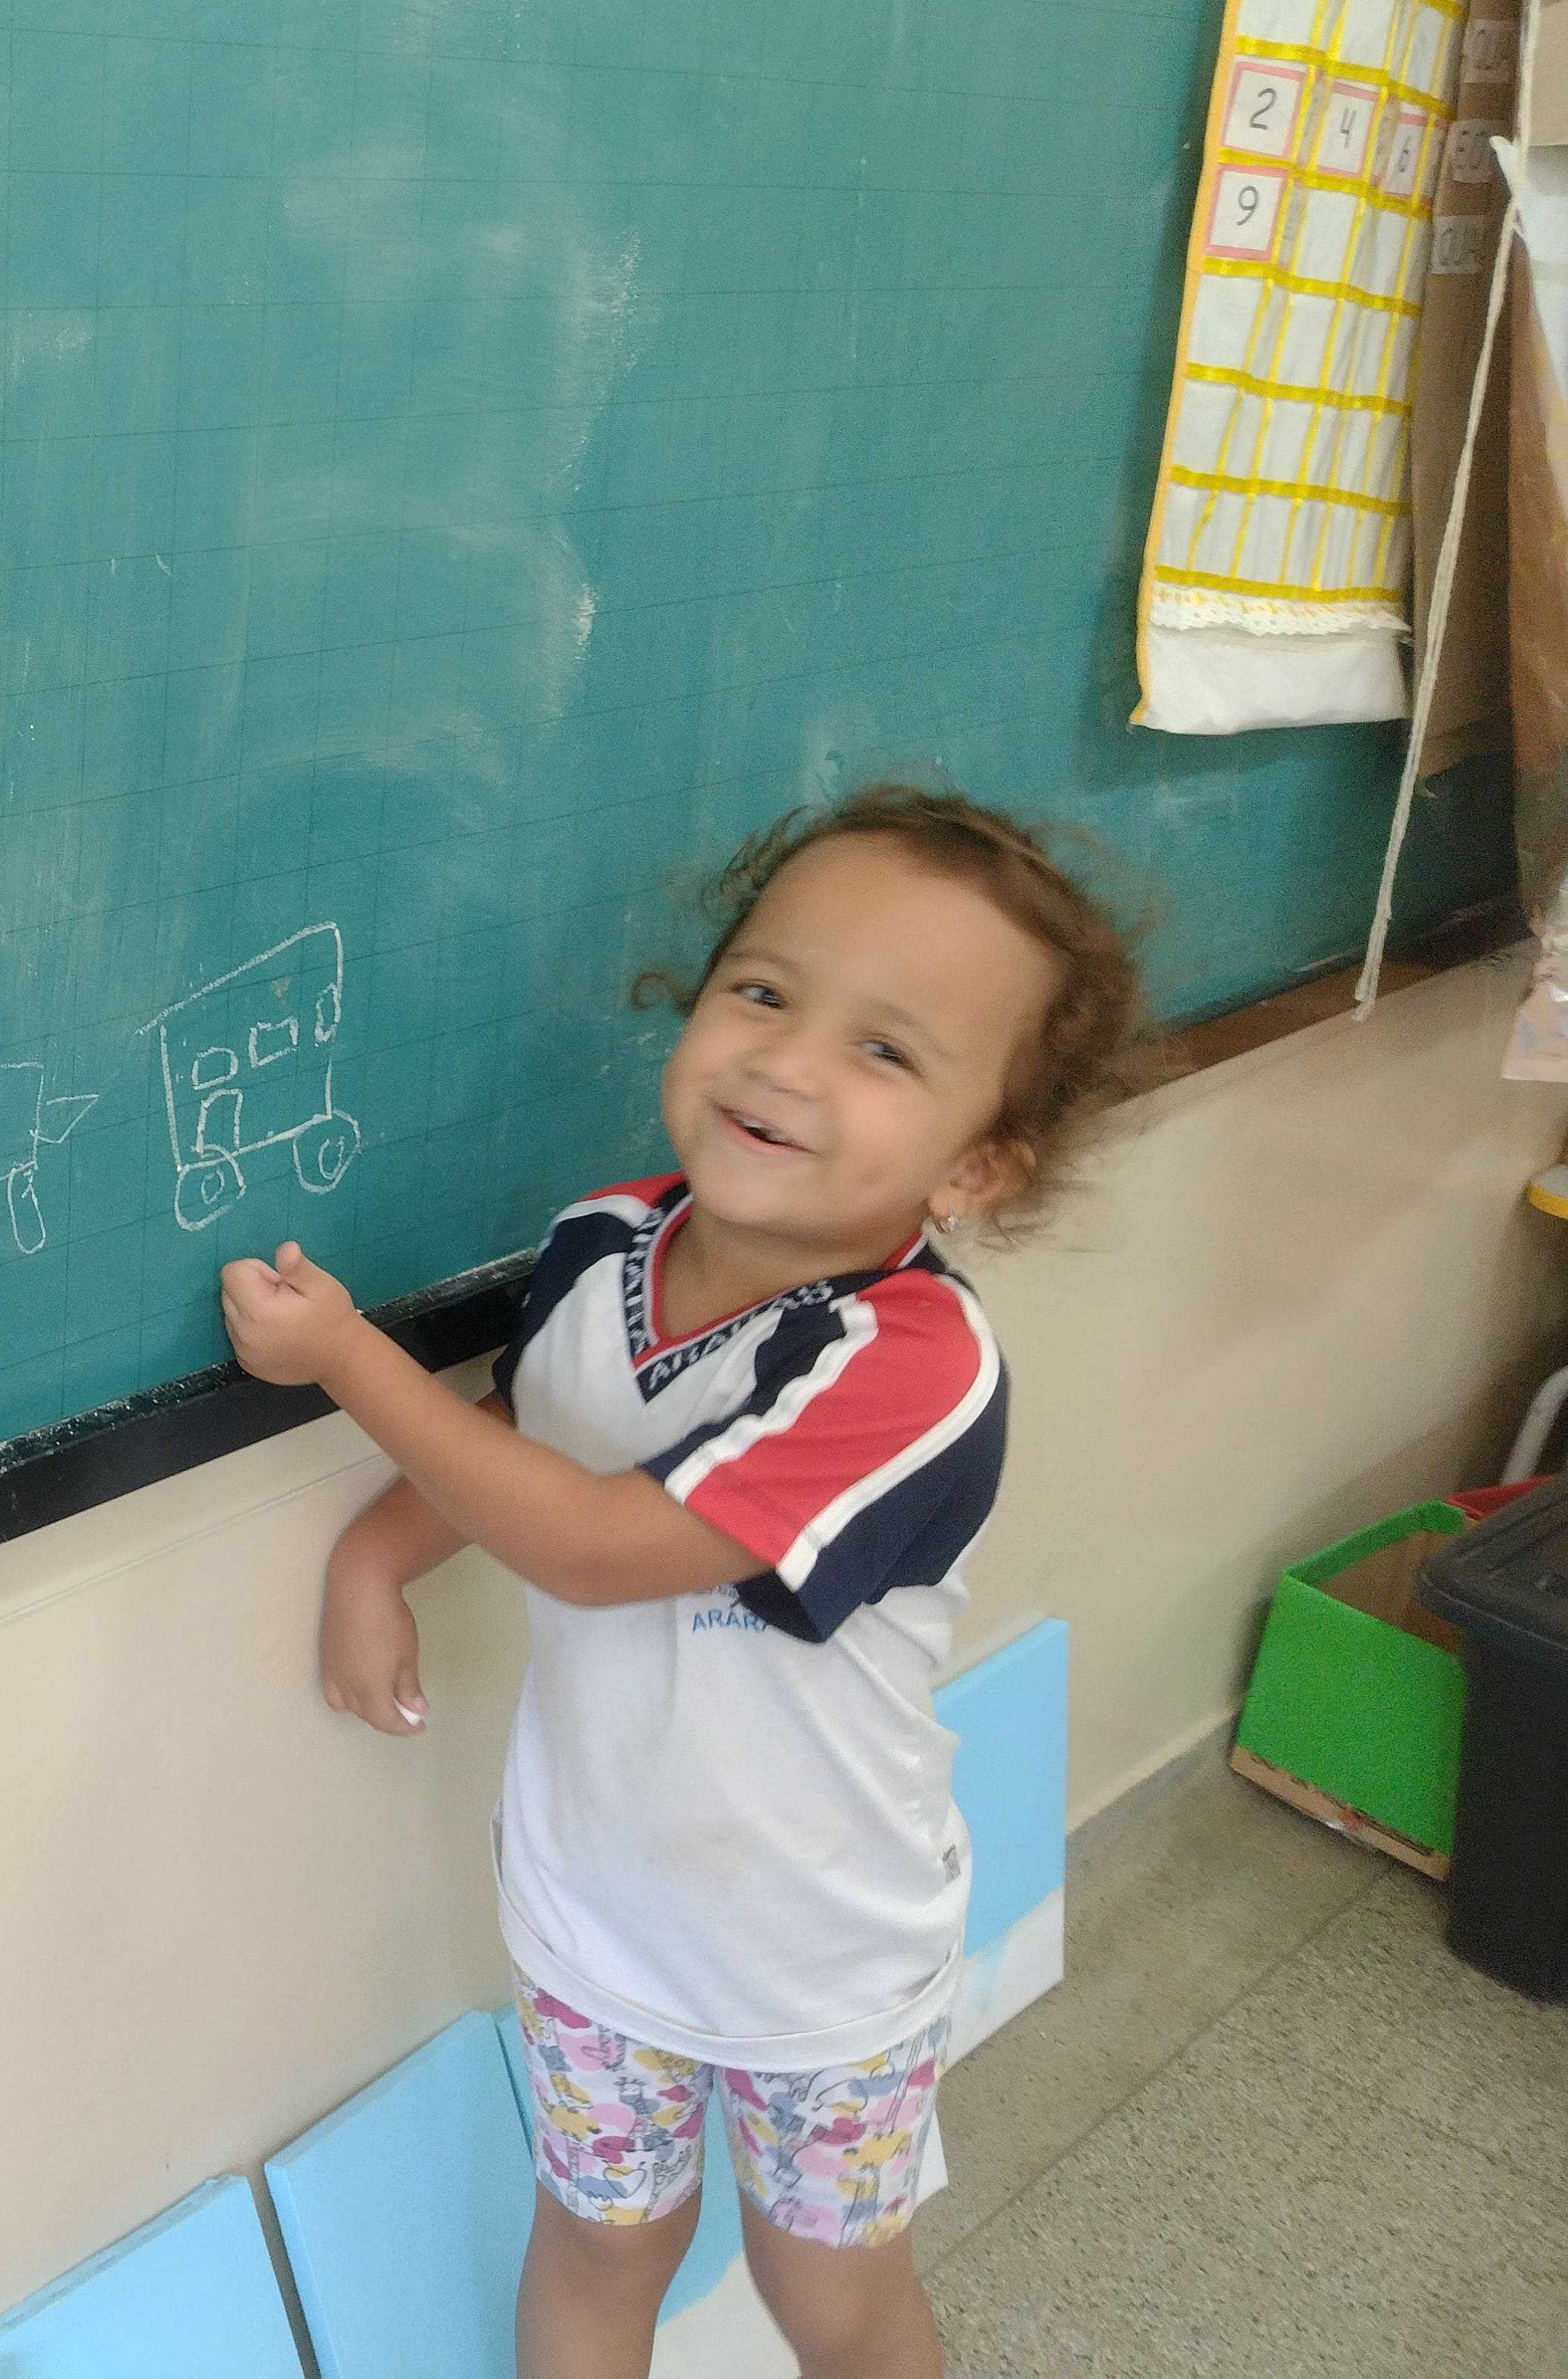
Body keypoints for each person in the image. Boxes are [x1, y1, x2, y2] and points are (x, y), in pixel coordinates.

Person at [217, 787, 1151, 2379]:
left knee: (828, 2296)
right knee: (598, 2249)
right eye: (764, 992)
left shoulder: (912, 1366)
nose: (787, 1062)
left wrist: (347, 1359)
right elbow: (526, 1430)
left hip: (821, 1956)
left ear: (980, 1163)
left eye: (885, 1049)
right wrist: (377, 1555)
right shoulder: (602, 1245)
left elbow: (594, 1546)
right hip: (597, 1924)